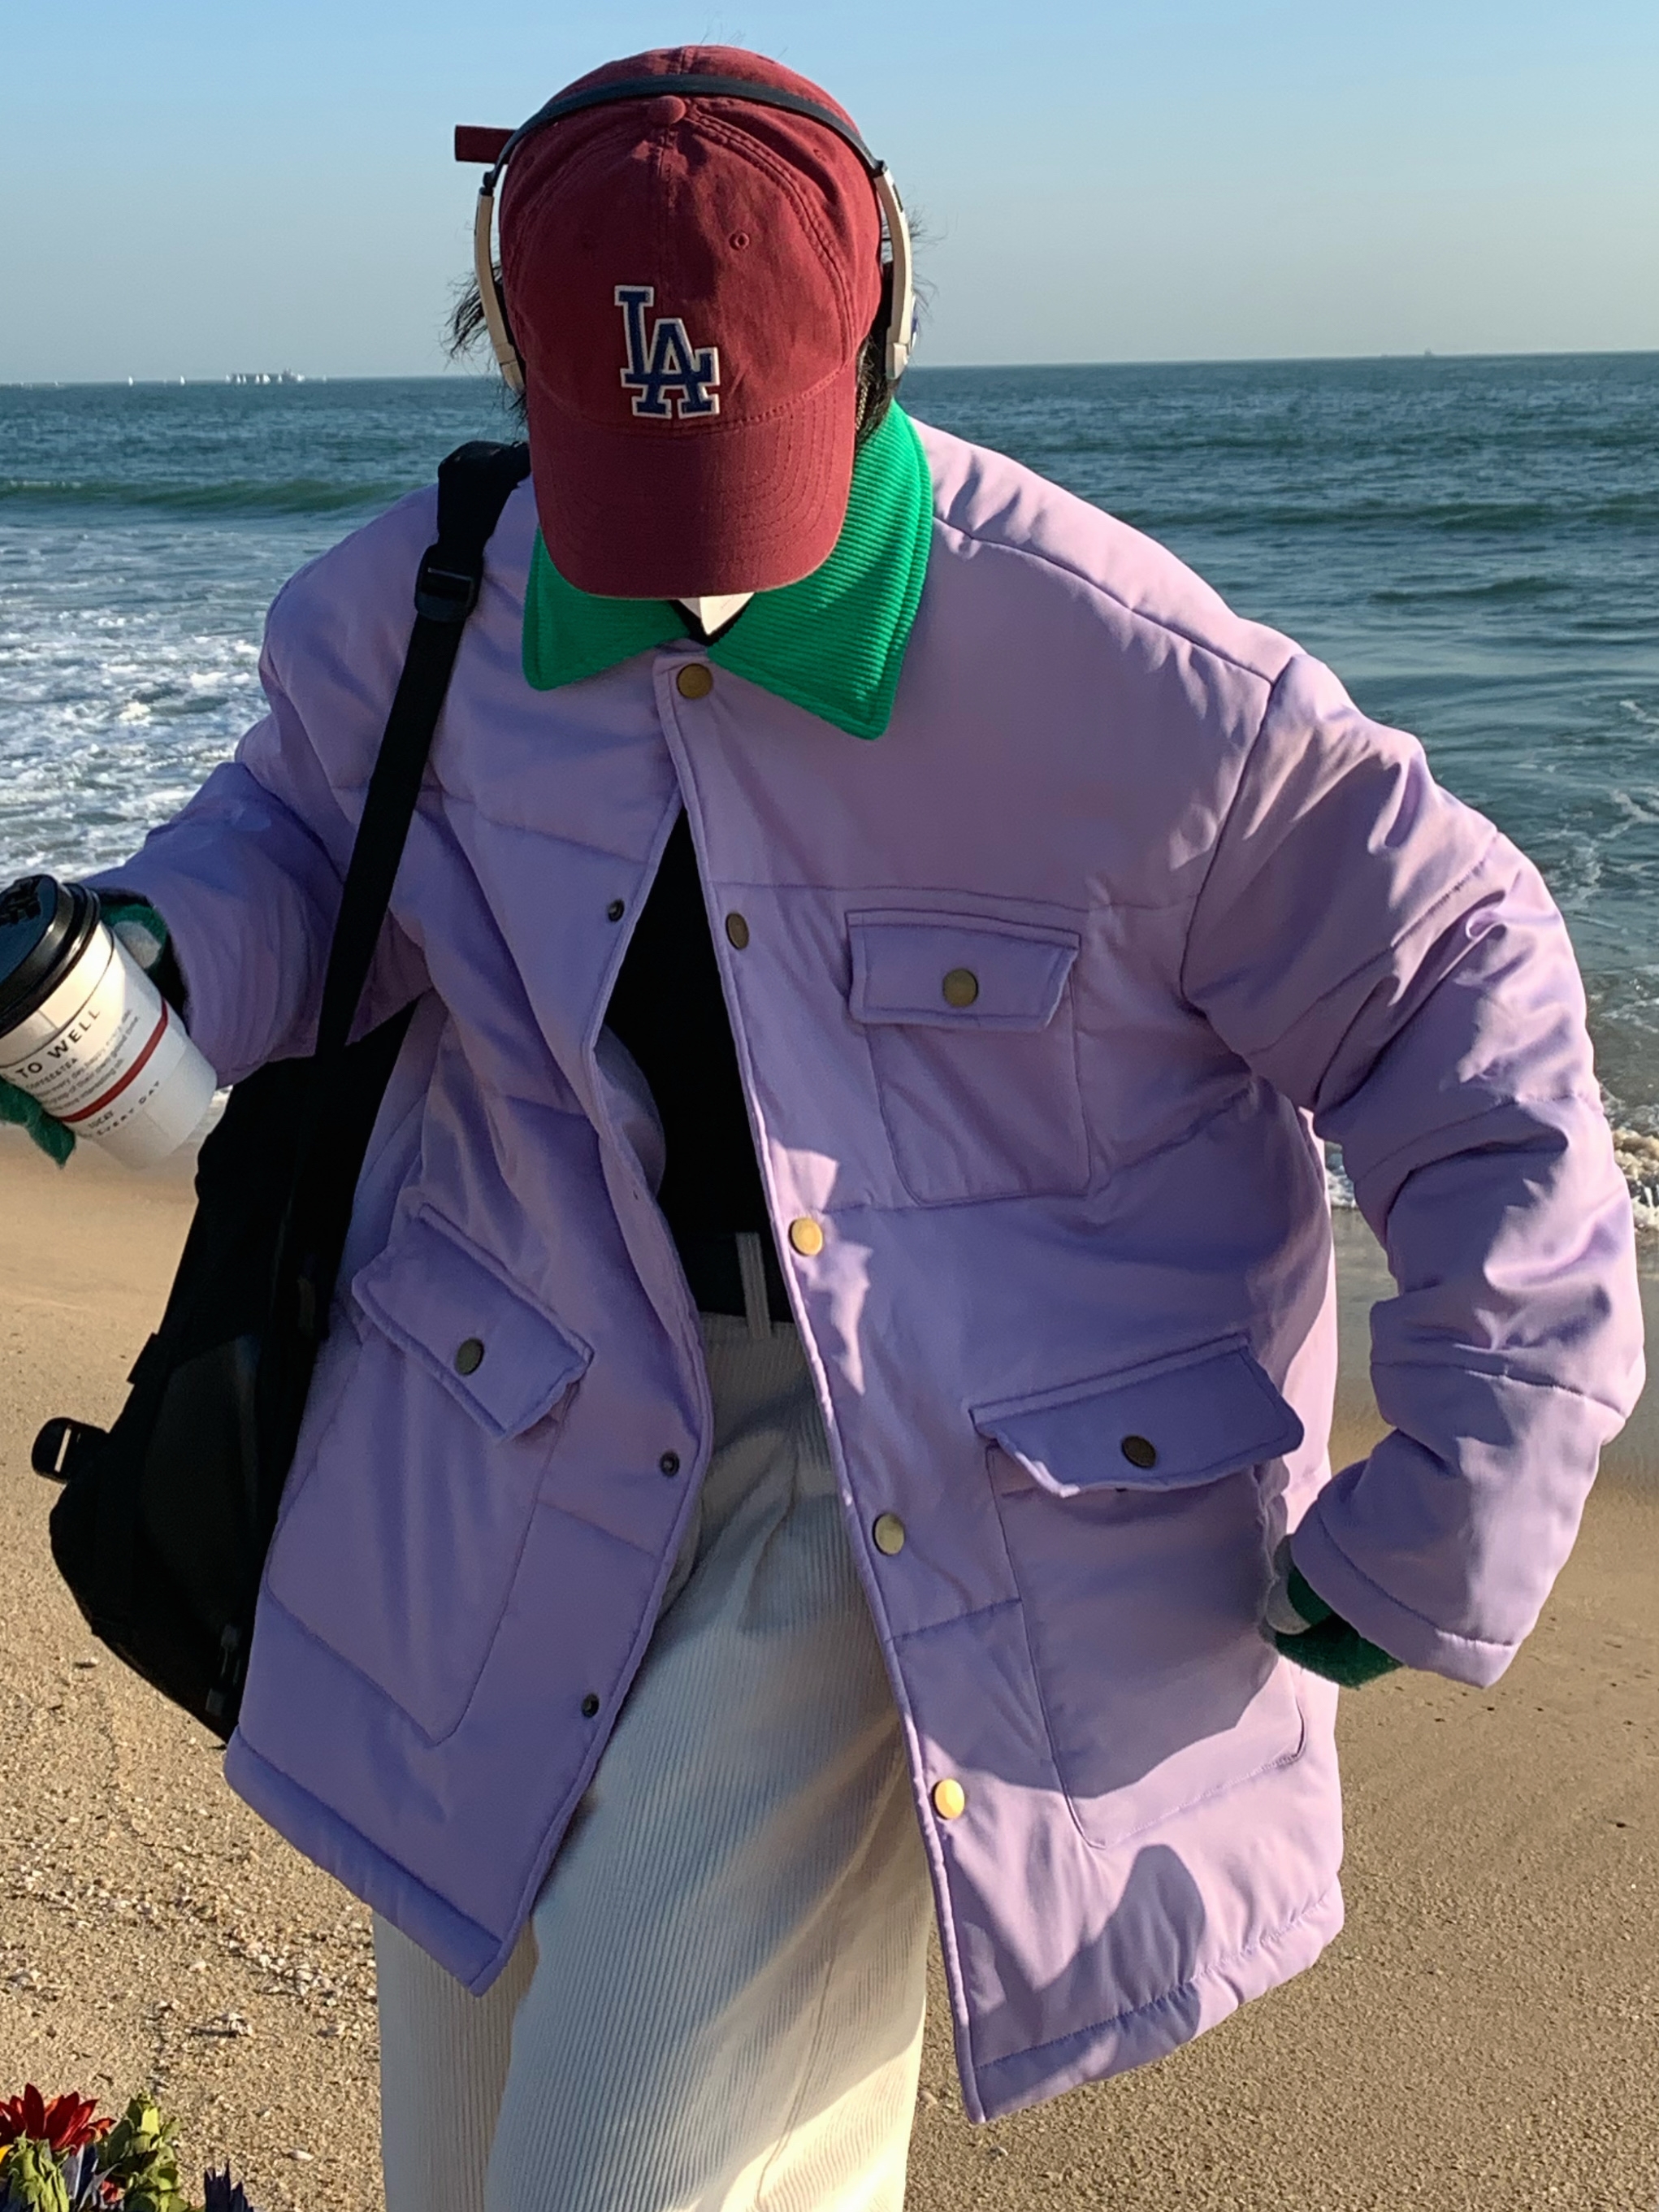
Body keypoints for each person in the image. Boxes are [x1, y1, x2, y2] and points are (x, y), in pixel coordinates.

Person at [12, 43, 1644, 2212]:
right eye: (636, 497)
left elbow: (1460, 995)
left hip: (885, 1503)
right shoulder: (425, 598)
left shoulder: (1127, 678)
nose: (698, 590)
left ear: (883, 328)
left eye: (743, 490)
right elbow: (306, 841)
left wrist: (1464, 1481)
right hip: (497, 1444)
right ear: (514, 356)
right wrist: (145, 953)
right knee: (463, 2158)